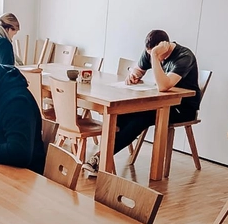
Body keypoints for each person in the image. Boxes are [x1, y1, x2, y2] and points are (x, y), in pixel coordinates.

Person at [82, 29, 201, 176]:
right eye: (149, 53)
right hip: (160, 103)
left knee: (141, 119)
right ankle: (103, 157)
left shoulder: (184, 56)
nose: (152, 56)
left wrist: (155, 58)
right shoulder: (152, 52)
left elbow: (164, 86)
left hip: (182, 108)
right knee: (122, 115)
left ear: (165, 46)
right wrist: (133, 76)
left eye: (155, 54)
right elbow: (138, 70)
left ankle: (100, 159)